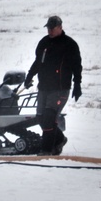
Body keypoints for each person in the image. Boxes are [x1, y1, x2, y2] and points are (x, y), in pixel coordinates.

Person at [23, 15, 82, 155]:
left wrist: (77, 84)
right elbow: (38, 62)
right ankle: (60, 140)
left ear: (60, 27)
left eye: (52, 28)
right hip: (44, 87)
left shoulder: (70, 45)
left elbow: (76, 66)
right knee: (41, 118)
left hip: (60, 88)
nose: (49, 31)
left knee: (49, 117)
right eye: (48, 28)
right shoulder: (44, 43)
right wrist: (30, 76)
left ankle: (46, 150)